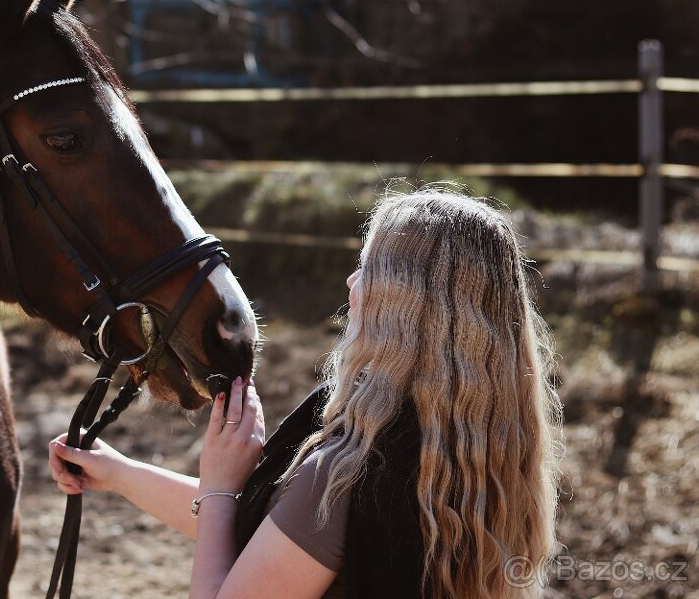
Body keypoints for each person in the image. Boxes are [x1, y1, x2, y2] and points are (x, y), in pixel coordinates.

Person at [48, 188, 562, 599]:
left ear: (400, 304)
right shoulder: (478, 460)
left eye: (370, 268)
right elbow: (277, 540)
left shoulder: (345, 475)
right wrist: (119, 474)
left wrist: (222, 484)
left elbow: (265, 533)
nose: (351, 281)